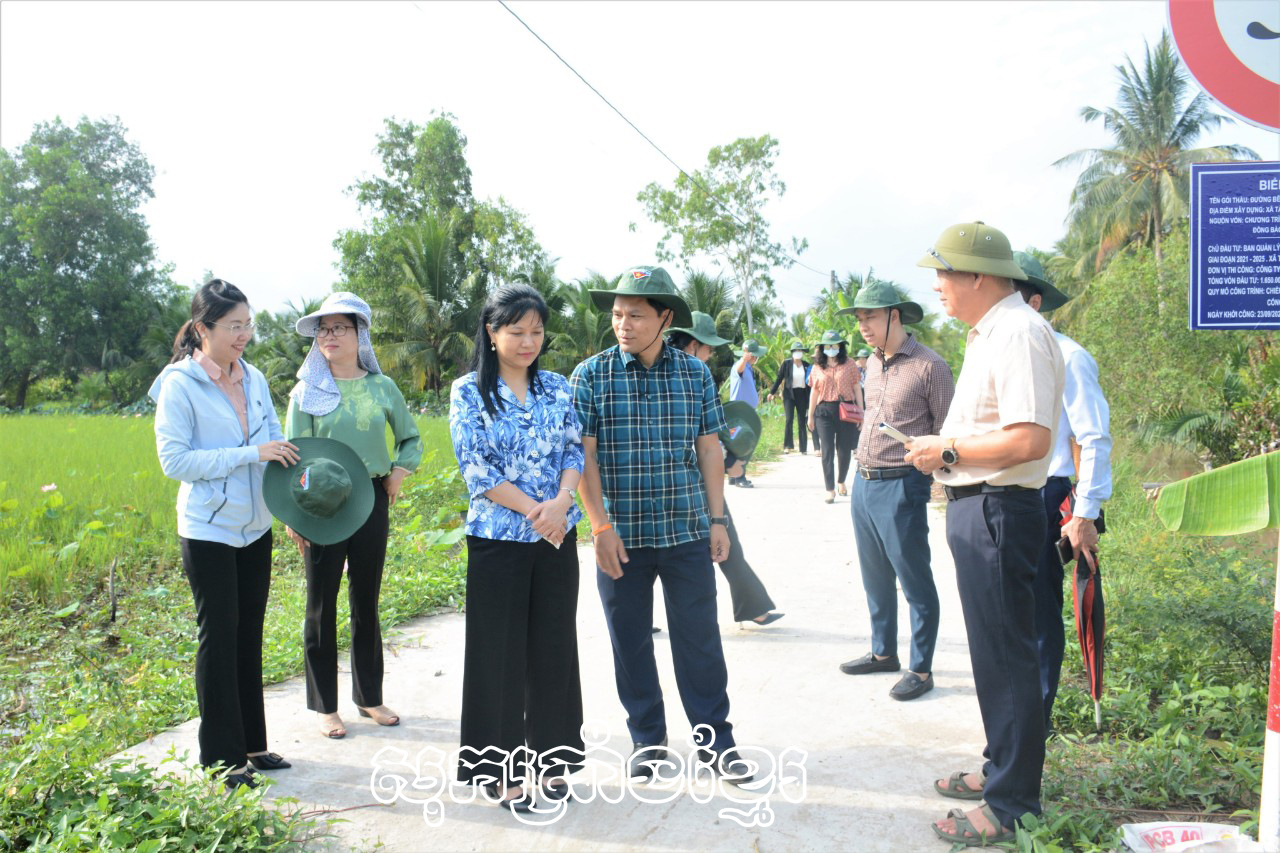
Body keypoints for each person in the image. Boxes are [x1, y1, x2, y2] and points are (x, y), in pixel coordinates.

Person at [905, 222, 1065, 845]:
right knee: (993, 655)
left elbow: (1030, 440)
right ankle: (1003, 771)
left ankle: (1013, 805)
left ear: (977, 275)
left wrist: (947, 448)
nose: (938, 286)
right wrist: (947, 453)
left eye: (943, 273)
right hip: (980, 504)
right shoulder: (989, 334)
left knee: (1008, 656)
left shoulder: (1019, 333)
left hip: (1000, 506)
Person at [570, 266, 753, 785]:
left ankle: (716, 741)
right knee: (629, 641)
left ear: (665, 317)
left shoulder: (693, 375)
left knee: (699, 639)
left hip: (686, 531)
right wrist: (600, 528)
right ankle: (647, 740)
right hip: (621, 538)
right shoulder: (592, 375)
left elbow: (710, 450)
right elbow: (585, 458)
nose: (622, 324)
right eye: (616, 314)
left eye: (635, 314)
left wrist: (718, 519)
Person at [149, 278, 299, 790]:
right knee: (219, 638)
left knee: (248, 635)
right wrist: (249, 455)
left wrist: (291, 508)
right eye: (234, 326)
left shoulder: (253, 377)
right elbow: (175, 462)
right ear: (201, 328)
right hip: (208, 529)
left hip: (255, 524)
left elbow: (276, 443)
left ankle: (251, 745)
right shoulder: (178, 384)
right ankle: (221, 759)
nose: (244, 335)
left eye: (248, 324)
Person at [449, 283, 585, 813]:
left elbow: (574, 448)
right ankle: (500, 774)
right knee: (497, 656)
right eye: (516, 331)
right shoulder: (467, 391)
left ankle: (552, 763)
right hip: (498, 541)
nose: (528, 342)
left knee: (553, 651)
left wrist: (563, 501)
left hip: (556, 537)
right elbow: (477, 470)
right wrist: (539, 510)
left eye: (536, 331)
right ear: (492, 332)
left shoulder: (556, 386)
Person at [284, 292, 422, 740]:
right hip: (321, 504)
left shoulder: (381, 387)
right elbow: (293, 456)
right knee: (321, 605)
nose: (329, 336)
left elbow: (410, 437)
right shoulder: (306, 391)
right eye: (323, 329)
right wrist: (295, 512)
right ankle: (326, 706)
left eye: (339, 327)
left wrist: (399, 473)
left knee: (367, 600)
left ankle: (368, 697)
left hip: (371, 499)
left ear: (359, 334)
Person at [837, 282, 954, 701]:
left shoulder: (930, 367)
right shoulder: (870, 362)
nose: (863, 325)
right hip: (863, 484)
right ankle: (883, 652)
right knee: (875, 577)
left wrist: (937, 477)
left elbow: (946, 435)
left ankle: (920, 670)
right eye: (859, 318)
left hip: (902, 487)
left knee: (914, 579)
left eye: (870, 316)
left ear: (895, 315)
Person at [1011, 251, 1112, 732]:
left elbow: (1093, 437)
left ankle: (1040, 712)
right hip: (1009, 492)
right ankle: (1021, 706)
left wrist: (1085, 512)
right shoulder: (1005, 359)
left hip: (1049, 493)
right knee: (1014, 606)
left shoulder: (1069, 356)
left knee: (1041, 611)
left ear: (1034, 302)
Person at [668, 312, 785, 627]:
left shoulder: (672, 373)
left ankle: (754, 605)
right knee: (721, 539)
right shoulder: (690, 377)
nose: (709, 355)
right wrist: (730, 461)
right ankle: (754, 606)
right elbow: (702, 436)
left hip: (682, 478)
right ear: (694, 345)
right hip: (693, 480)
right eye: (708, 349)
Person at [807, 330, 863, 503]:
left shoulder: (850, 364)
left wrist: (861, 413)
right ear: (822, 348)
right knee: (827, 451)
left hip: (846, 409)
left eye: (835, 345)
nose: (831, 348)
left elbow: (856, 389)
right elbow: (814, 392)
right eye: (828, 346)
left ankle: (841, 481)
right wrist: (810, 416)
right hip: (824, 410)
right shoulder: (817, 367)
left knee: (844, 450)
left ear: (840, 346)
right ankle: (829, 489)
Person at [726, 339, 764, 488]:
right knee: (743, 443)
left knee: (735, 443)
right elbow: (738, 369)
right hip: (739, 413)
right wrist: (744, 359)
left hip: (743, 412)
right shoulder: (740, 366)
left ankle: (733, 476)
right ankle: (740, 478)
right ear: (752, 356)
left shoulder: (749, 368)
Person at [767, 339, 813, 455]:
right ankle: (788, 446)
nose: (798, 352)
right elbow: (779, 379)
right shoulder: (786, 364)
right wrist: (771, 392)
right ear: (792, 352)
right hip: (789, 394)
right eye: (796, 350)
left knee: (802, 421)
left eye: (800, 350)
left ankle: (803, 448)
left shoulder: (807, 365)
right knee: (789, 420)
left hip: (802, 394)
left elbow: (811, 382)